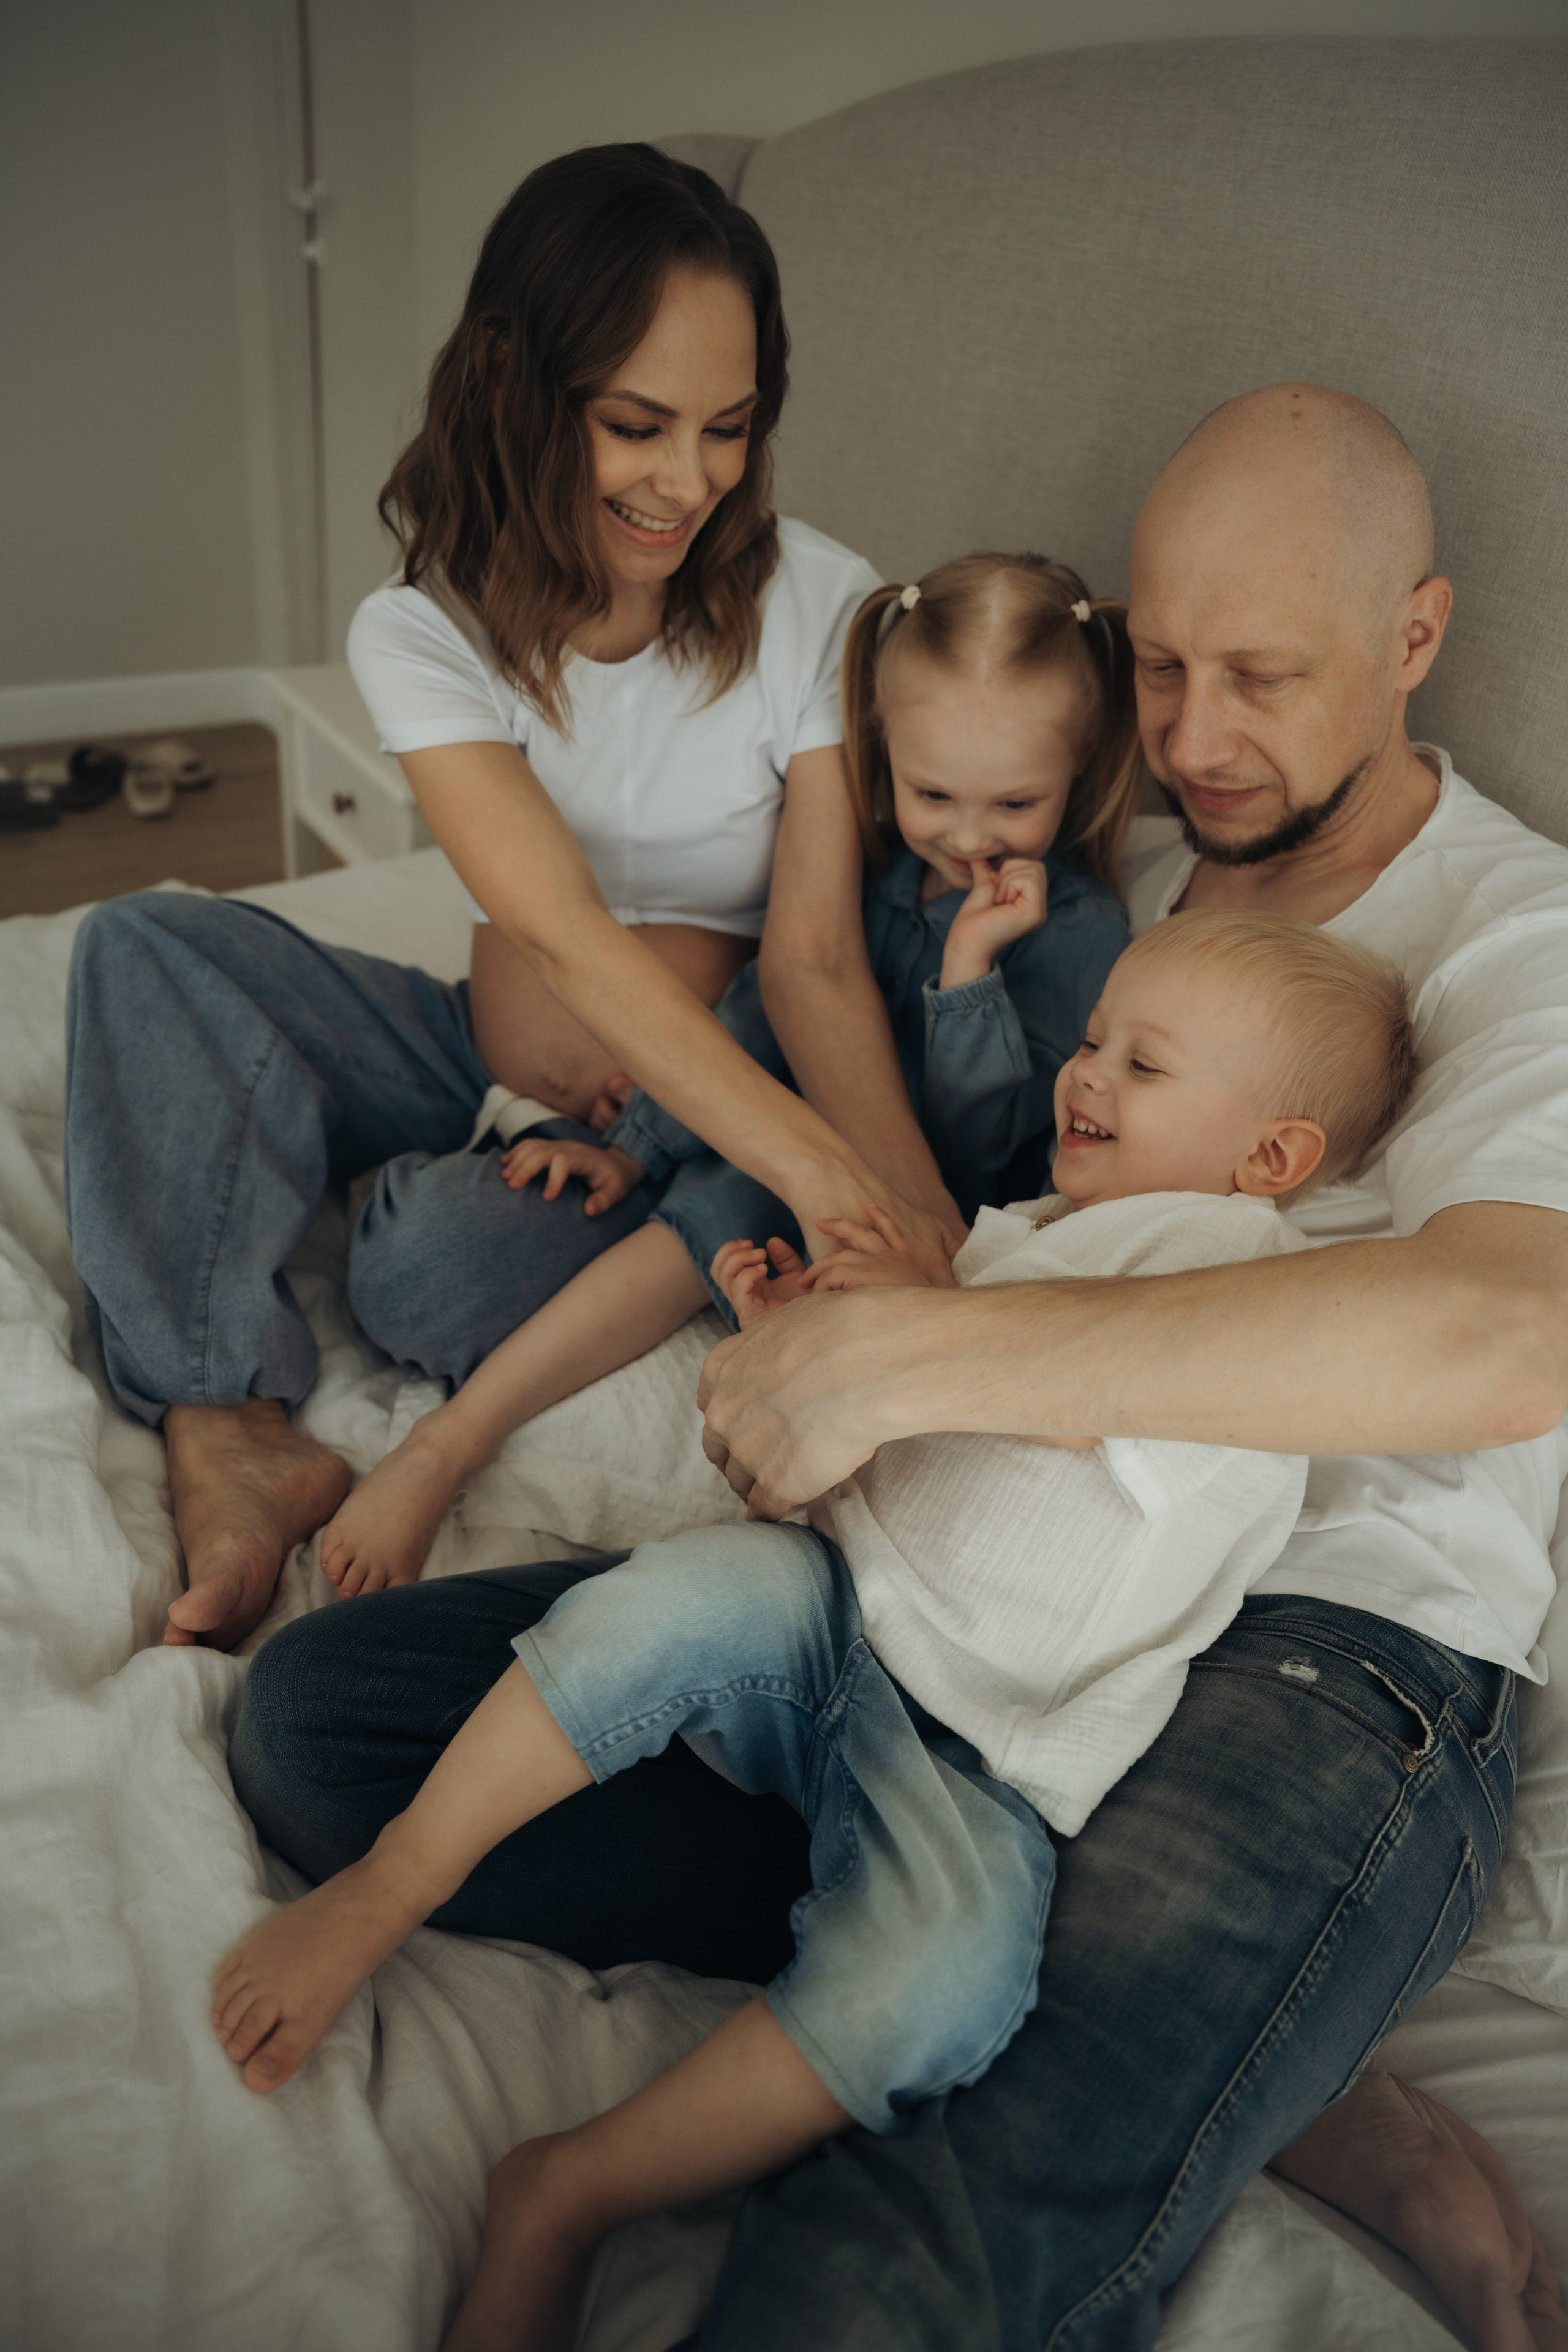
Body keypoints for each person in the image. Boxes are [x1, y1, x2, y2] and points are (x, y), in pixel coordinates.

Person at [230, 384, 1568, 2352]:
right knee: (327, 1728)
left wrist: (921, 1353)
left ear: (1414, 638)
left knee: (891, 2267)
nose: (1195, 737)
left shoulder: (1517, 935)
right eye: (1163, 666)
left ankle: (1202, 2037)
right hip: (939, 1604)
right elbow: (885, 1074)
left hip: (1308, 1649)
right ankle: (1262, 2060)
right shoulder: (1104, 888)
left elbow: (1510, 1333)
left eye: (1264, 678)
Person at [212, 909, 1418, 2352]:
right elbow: (898, 1445)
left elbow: (1069, 1406)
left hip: (983, 1757)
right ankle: (392, 1883)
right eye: (1092, 1039)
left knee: (946, 1986)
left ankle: (574, 2190)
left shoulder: (1246, 1291)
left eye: (1141, 1064)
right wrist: (800, 1343)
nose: (1084, 1074)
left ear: (1270, 1160)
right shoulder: (1030, 1235)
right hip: (827, 1612)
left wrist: (895, 1341)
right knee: (685, 1599)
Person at [61, 143, 975, 1653]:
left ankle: (382, 1183)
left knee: (420, 1276)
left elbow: (813, 959)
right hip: (473, 1054)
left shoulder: (818, 603)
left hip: (695, 1121)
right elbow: (558, 932)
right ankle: (227, 1427)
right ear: (511, 385)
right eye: (636, 425)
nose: (687, 481)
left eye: (728, 428)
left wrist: (881, 1200)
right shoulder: (422, 633)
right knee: (144, 947)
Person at [314, 554, 1136, 1597]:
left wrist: (971, 971)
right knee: (711, 1198)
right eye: (931, 793)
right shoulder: (873, 881)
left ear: (1081, 763)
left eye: (1015, 802)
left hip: (940, 1205)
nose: (969, 836)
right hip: (799, 1159)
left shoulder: (1077, 932)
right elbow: (755, 1017)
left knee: (757, 1223)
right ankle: (449, 1443)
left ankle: (761, 1361)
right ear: (881, 747)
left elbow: (989, 1144)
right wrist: (633, 1149)